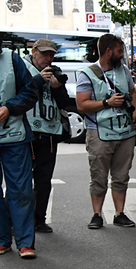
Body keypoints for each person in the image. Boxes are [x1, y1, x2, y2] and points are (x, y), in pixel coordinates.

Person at [76, 33, 136, 230]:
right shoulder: (87, 74)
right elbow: (81, 104)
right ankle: (97, 214)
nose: (122, 55)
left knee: (122, 175)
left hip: (125, 132)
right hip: (100, 132)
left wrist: (135, 112)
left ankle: (119, 213)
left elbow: (132, 92)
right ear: (108, 51)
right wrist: (107, 103)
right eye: (119, 51)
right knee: (99, 175)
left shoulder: (124, 71)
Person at [0, 44, 44, 258]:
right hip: (12, 135)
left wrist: (9, 107)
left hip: (14, 136)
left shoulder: (11, 59)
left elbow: (30, 92)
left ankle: (25, 243)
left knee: (21, 190)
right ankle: (2, 240)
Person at [24, 38, 70, 234]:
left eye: (51, 55)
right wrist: (38, 80)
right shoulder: (23, 68)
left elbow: (64, 103)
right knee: (22, 180)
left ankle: (39, 219)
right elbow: (18, 93)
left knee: (44, 180)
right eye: (44, 54)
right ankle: (15, 220)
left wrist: (57, 87)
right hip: (27, 131)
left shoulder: (54, 72)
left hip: (49, 132)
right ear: (34, 52)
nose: (48, 58)